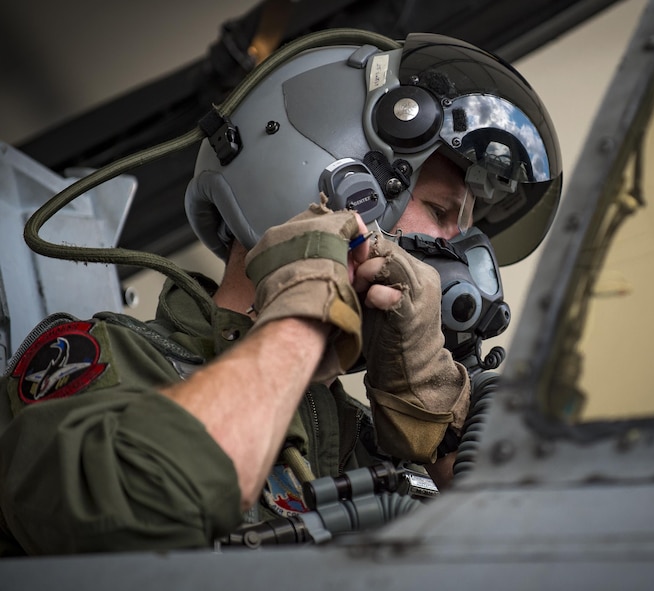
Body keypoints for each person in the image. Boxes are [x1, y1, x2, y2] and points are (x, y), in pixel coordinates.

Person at [0, 29, 562, 556]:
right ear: (336, 187)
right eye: (441, 213)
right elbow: (125, 512)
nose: (457, 250)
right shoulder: (117, 360)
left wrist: (439, 406)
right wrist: (301, 316)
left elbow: (555, 553)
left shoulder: (360, 440)